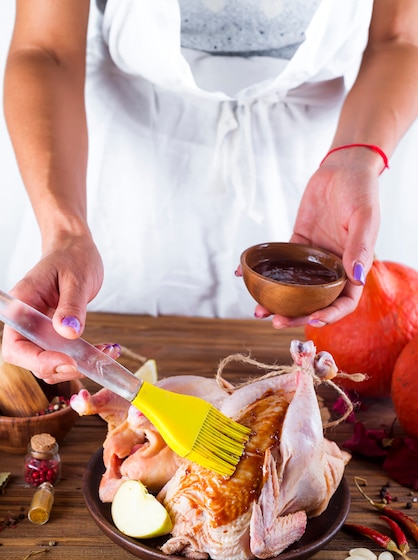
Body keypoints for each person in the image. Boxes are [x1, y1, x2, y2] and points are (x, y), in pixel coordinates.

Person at [1, 0, 418, 384]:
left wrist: (355, 158)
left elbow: (399, 40)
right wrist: (66, 231)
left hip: (317, 177)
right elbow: (45, 49)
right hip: (124, 186)